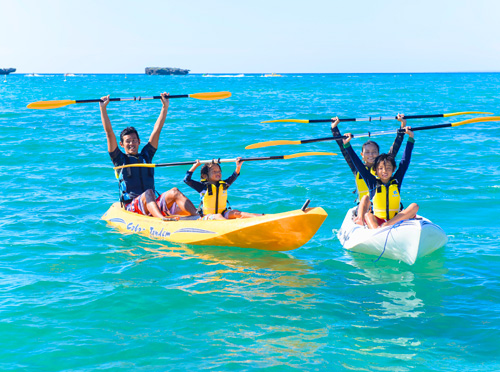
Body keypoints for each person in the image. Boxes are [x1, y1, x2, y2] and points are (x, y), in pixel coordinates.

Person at [100, 93, 198, 218]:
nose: (132, 144)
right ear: (121, 144)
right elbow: (109, 133)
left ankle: (199, 216)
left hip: (152, 202)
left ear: (139, 141)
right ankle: (161, 219)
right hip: (133, 206)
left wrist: (165, 107)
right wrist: (103, 109)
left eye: (134, 140)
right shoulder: (119, 159)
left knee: (174, 191)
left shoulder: (146, 156)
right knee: (148, 193)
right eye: (128, 141)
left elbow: (157, 130)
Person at [342, 115, 419, 229]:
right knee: (368, 215)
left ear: (393, 170)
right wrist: (347, 145)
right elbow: (358, 163)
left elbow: (404, 161)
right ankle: (376, 231)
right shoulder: (372, 182)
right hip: (378, 220)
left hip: (395, 218)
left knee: (414, 206)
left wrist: (410, 138)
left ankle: (387, 225)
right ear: (376, 171)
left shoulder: (396, 180)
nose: (384, 171)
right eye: (381, 169)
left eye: (388, 168)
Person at [331, 115, 406, 225]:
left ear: (379, 154)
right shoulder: (357, 168)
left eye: (374, 152)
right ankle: (362, 220)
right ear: (362, 155)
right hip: (364, 208)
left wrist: (402, 125)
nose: (371, 155)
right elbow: (344, 149)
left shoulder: (384, 166)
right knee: (365, 199)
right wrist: (334, 129)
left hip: (384, 207)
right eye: (367, 152)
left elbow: (395, 148)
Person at [184, 158, 262, 220]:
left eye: (219, 171)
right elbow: (186, 180)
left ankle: (259, 217)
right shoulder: (202, 187)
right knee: (218, 216)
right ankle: (229, 226)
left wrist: (238, 166)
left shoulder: (224, 185)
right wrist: (195, 165)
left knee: (236, 212)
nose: (218, 173)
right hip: (207, 216)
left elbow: (234, 176)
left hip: (223, 213)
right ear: (205, 176)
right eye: (214, 171)